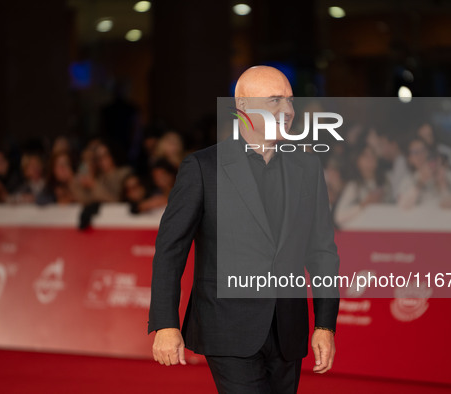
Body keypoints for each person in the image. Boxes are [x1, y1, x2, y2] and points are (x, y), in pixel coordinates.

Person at [149, 66, 339, 393]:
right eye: (275, 101)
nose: (289, 111)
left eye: (290, 101)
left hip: (288, 328)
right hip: (226, 324)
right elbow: (171, 249)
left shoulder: (307, 167)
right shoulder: (203, 168)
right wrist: (166, 324)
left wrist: (325, 324)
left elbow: (322, 251)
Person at [334, 144, 390, 227]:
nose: (370, 159)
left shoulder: (385, 183)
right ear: (357, 161)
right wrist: (364, 204)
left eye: (372, 155)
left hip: (383, 228)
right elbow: (339, 217)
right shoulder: (354, 186)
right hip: (361, 232)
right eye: (365, 156)